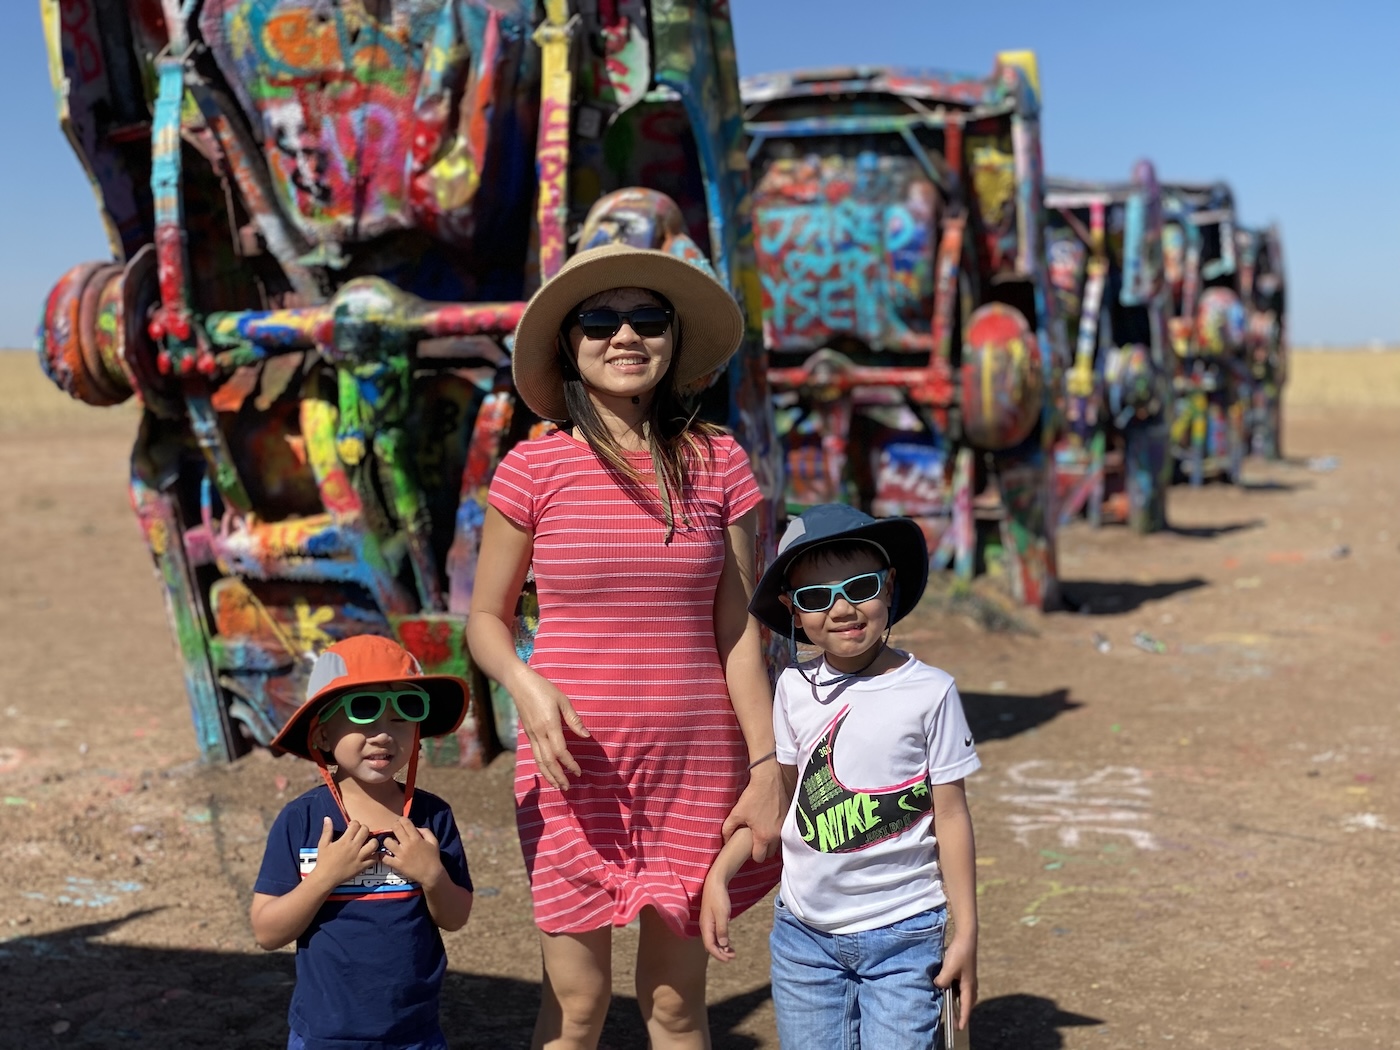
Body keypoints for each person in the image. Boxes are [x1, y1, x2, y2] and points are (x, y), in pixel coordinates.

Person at [467, 242, 783, 1050]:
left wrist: (764, 767)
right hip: (573, 765)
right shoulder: (532, 470)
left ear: (673, 341)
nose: (625, 336)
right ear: (570, 344)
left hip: (696, 765)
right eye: (600, 320)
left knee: (676, 1008)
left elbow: (739, 627)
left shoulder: (721, 463)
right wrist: (527, 688)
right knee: (577, 1008)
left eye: (648, 318)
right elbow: (487, 622)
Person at [699, 503, 981, 1049]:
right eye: (815, 596)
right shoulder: (792, 689)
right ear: (793, 609)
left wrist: (966, 931)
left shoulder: (931, 692)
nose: (843, 608)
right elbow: (778, 799)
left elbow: (951, 814)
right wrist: (720, 874)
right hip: (804, 942)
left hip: (905, 935)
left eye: (860, 586)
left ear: (890, 585)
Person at [250, 635, 476, 1050]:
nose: (384, 735)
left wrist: (432, 875)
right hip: (325, 1035)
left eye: (404, 712)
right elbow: (266, 932)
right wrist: (323, 879)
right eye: (364, 711)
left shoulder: (432, 816)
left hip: (415, 1034)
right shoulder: (300, 820)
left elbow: (456, 916)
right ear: (320, 736)